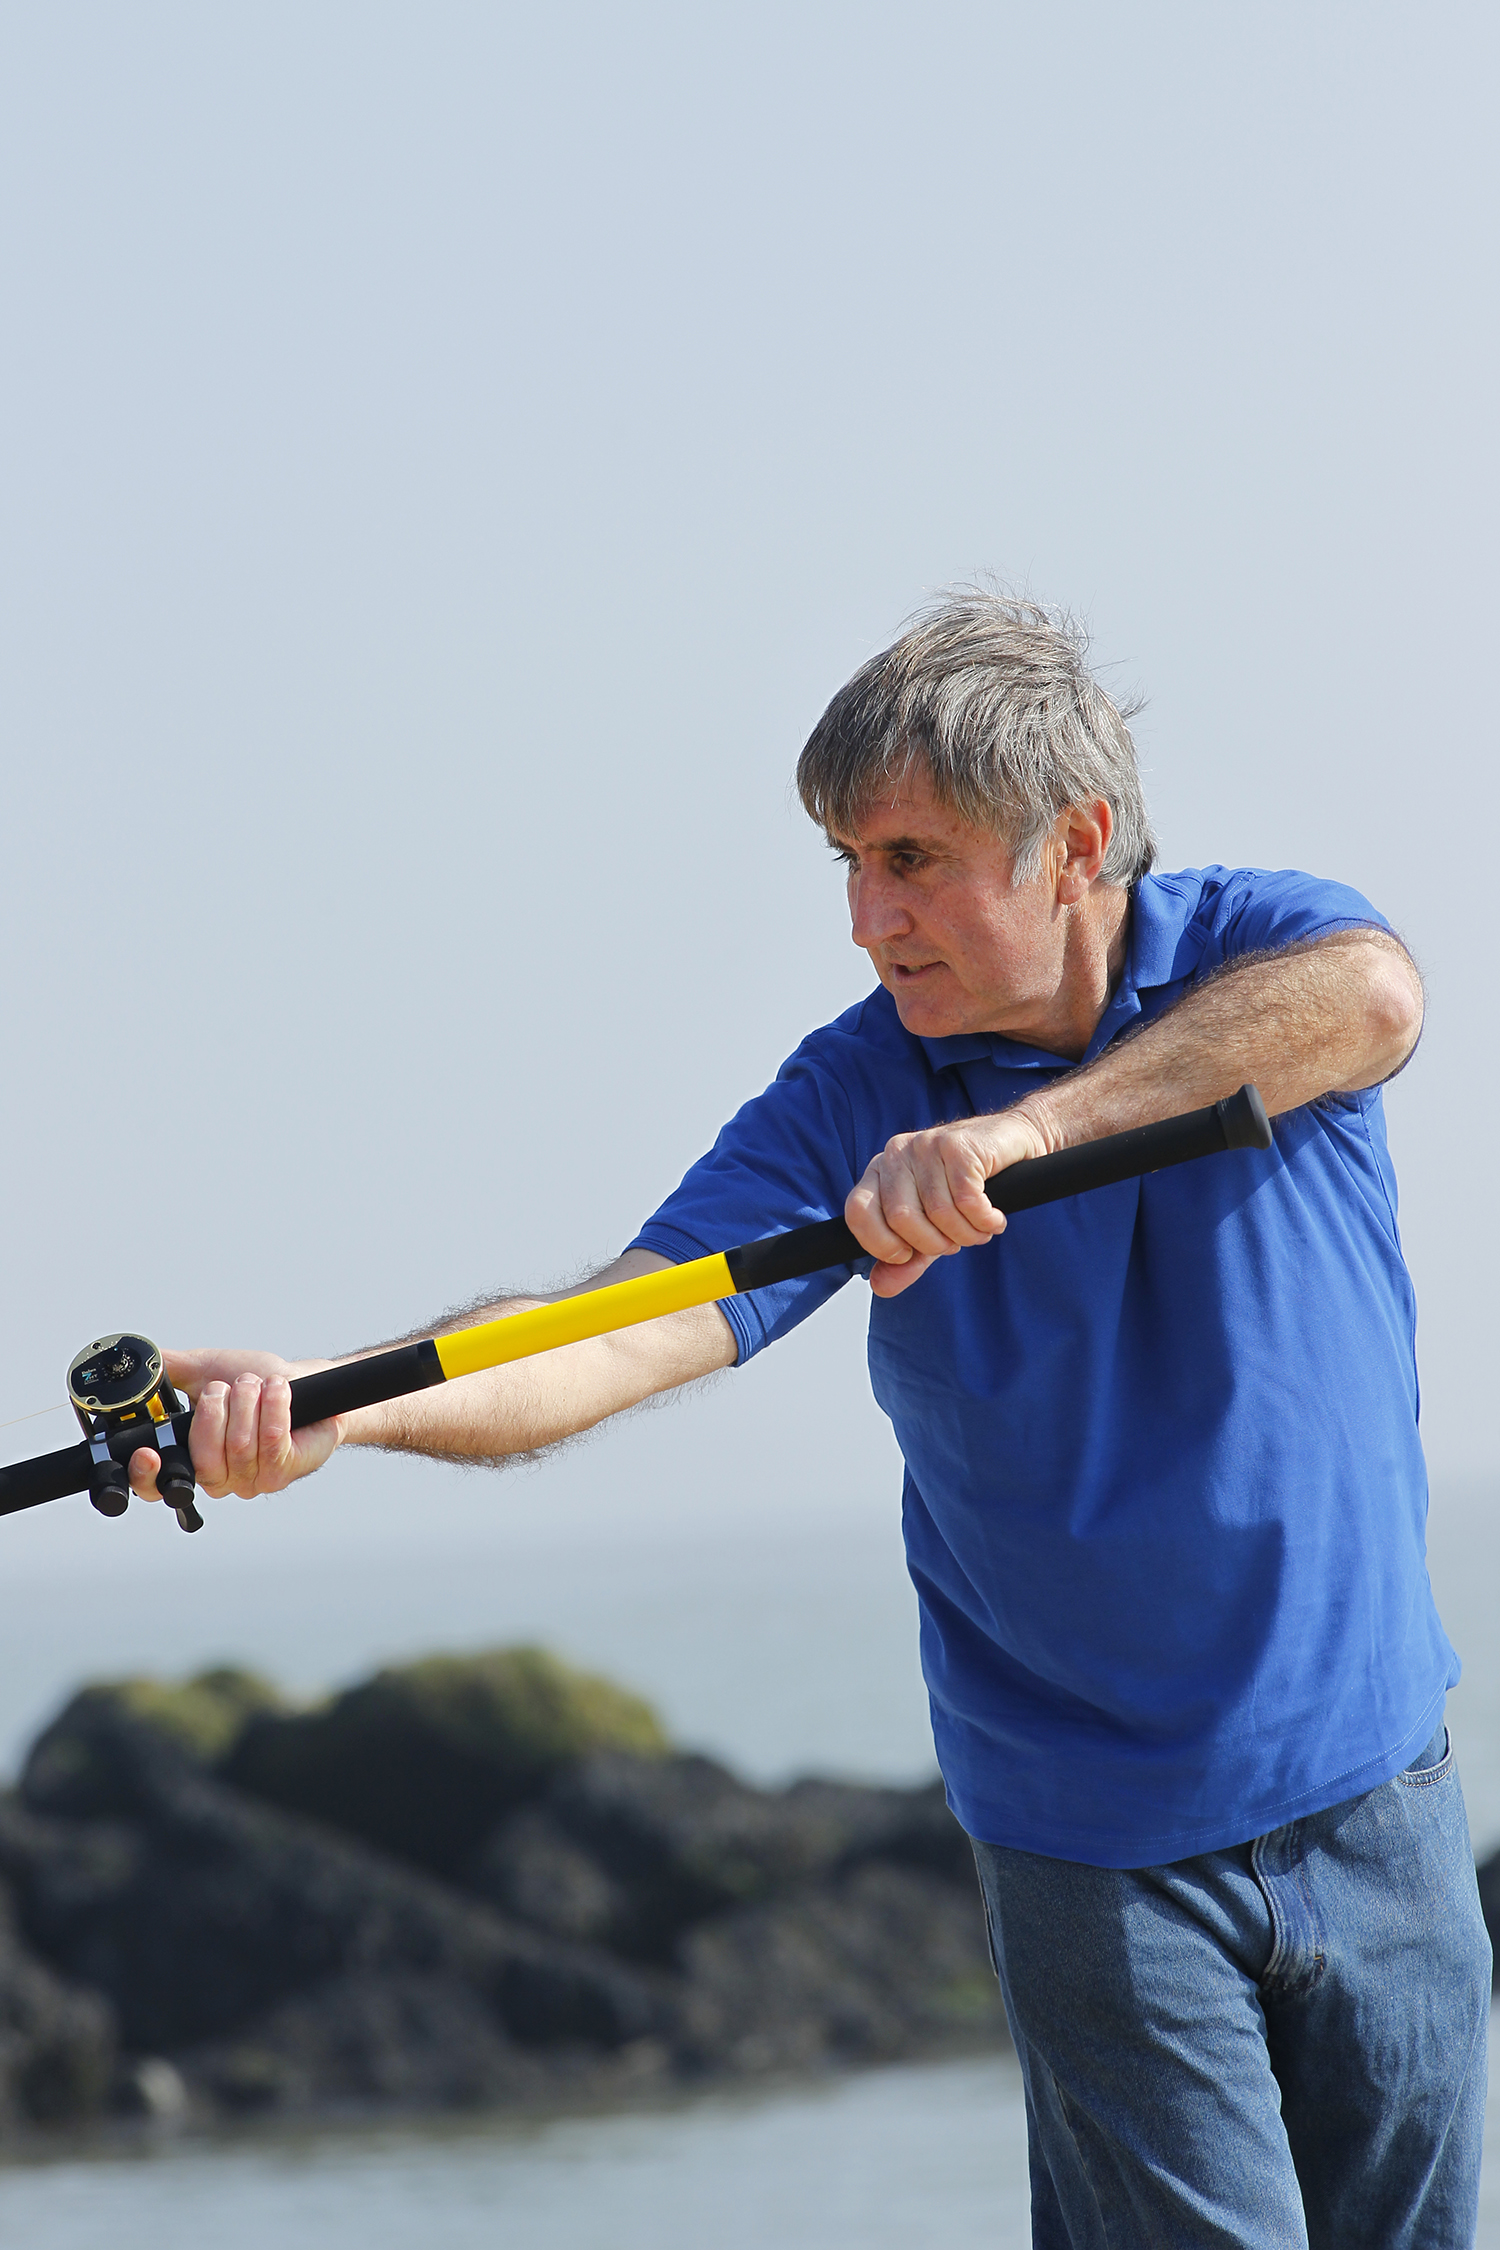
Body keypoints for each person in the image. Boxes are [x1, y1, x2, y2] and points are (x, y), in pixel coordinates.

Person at [136, 595, 1487, 2248]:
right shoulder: (850, 1093)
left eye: (910, 857)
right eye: (846, 861)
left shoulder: (1258, 949)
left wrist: (1018, 1140)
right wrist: (332, 1410)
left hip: (1379, 1793)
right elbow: (603, 1338)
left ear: (1072, 845)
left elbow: (1376, 999)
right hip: (1095, 1855)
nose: (865, 916)